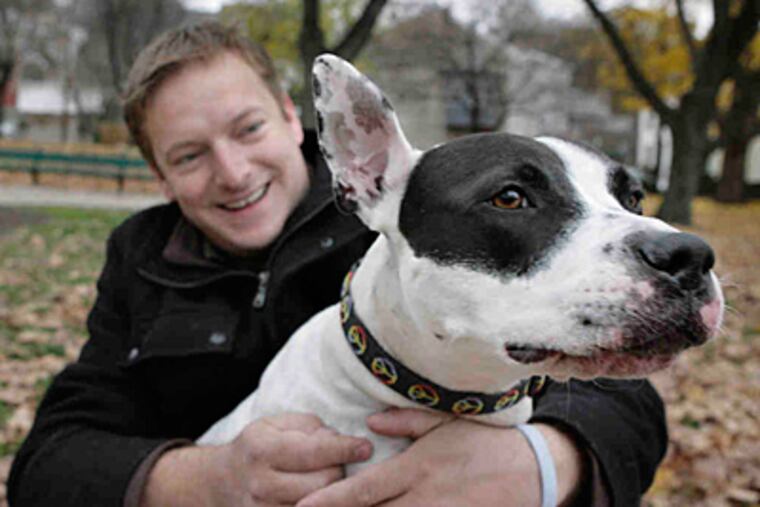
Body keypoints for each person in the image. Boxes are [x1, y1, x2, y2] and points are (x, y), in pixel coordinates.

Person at [7, 21, 667, 507]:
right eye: (189, 155)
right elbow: (49, 463)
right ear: (157, 173)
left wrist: (543, 462)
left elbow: (629, 403)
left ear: (296, 116)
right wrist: (208, 476)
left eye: (248, 129)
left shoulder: (414, 216)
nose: (233, 173)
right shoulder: (141, 259)